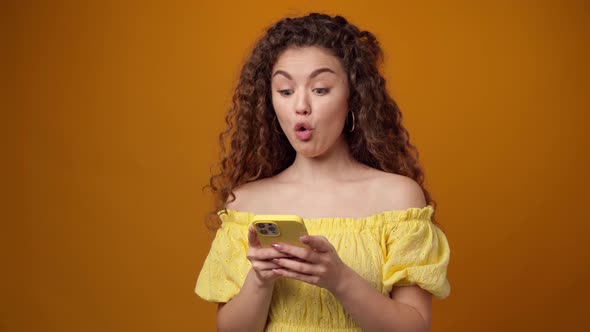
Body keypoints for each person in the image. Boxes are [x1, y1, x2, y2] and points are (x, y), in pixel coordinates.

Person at [195, 12, 450, 332]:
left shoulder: (396, 197)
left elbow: (415, 328)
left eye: (320, 89)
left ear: (353, 98)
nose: (300, 105)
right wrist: (259, 280)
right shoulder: (245, 203)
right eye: (285, 91)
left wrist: (340, 279)